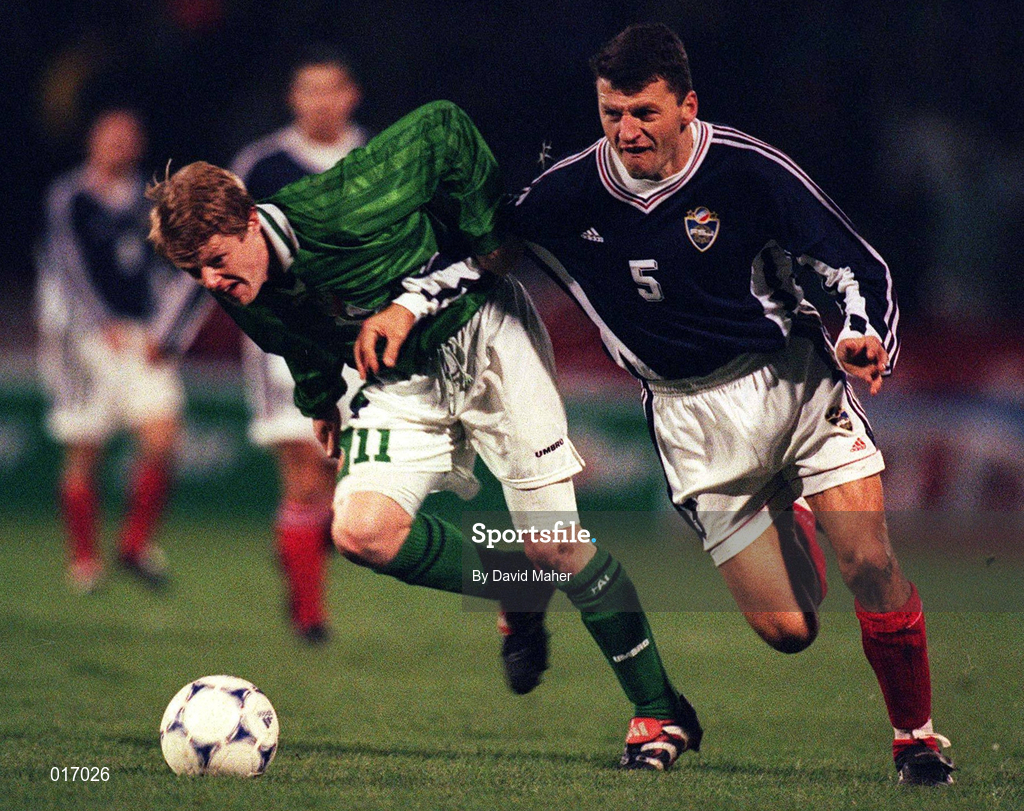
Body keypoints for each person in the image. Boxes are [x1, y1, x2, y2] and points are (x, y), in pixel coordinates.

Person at [146, 99, 701, 769]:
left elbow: (443, 126)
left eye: (214, 260)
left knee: (557, 547)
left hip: (487, 340)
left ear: (247, 220)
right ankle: (511, 584)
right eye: (194, 272)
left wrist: (489, 232)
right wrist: (322, 399)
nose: (212, 281)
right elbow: (295, 338)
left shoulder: (344, 200)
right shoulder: (242, 283)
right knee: (359, 530)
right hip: (399, 382)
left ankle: (657, 714)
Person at [508, 23, 955, 785]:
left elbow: (854, 263)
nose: (626, 130)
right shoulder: (565, 195)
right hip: (691, 421)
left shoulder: (747, 172)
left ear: (687, 106)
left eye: (644, 112)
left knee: (871, 561)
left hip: (793, 385)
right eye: (612, 112)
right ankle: (794, 519)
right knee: (788, 630)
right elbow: (481, 243)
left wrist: (862, 332)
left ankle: (916, 739)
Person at [157, 51, 370, 643]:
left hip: (355, 337)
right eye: (308, 91)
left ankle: (298, 549)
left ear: (350, 95)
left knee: (340, 479)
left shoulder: (372, 156)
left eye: (330, 90)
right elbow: (204, 246)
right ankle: (310, 615)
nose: (320, 102)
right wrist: (171, 332)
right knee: (302, 472)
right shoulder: (262, 163)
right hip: (277, 344)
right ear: (293, 99)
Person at [36, 108, 192, 594]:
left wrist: (165, 332)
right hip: (82, 337)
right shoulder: (70, 196)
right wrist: (100, 322)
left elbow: (172, 268)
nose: (118, 146)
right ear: (92, 142)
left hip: (143, 337)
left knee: (164, 439)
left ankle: (134, 544)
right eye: (110, 137)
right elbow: (68, 265)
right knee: (87, 448)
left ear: (139, 145)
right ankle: (84, 561)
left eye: (127, 138)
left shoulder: (153, 201)